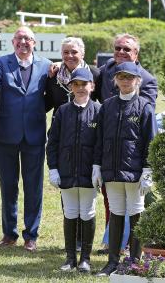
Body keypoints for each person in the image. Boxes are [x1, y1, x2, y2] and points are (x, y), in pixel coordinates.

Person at [0, 26, 52, 252]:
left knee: (33, 188)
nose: (23, 42)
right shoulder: (1, 63)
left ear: (35, 43)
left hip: (34, 136)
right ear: (13, 42)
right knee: (8, 187)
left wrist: (59, 71)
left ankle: (31, 235)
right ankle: (9, 234)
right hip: (5, 137)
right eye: (19, 38)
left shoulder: (46, 66)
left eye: (28, 39)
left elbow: (56, 93)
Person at [93, 62, 157, 276]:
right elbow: (99, 139)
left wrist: (148, 169)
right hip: (111, 171)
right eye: (121, 77)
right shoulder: (107, 106)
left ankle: (134, 262)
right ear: (115, 80)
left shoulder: (144, 106)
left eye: (129, 78)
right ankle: (112, 262)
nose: (125, 81)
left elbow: (151, 140)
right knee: (116, 213)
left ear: (137, 80)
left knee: (136, 212)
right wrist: (96, 166)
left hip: (135, 172)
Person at [46, 68, 101, 273]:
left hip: (89, 173)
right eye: (76, 84)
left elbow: (101, 144)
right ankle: (70, 258)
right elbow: (52, 143)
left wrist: (98, 167)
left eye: (84, 84)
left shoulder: (99, 111)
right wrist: (53, 168)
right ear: (70, 87)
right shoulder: (62, 111)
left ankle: (85, 258)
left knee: (87, 212)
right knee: (70, 212)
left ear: (92, 86)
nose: (80, 88)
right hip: (67, 170)